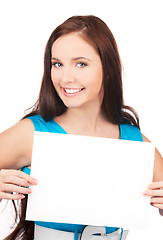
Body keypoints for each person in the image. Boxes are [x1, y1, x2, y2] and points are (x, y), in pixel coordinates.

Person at [0, 15, 162, 240]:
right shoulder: (31, 134)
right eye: (57, 64)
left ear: (108, 67)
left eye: (81, 64)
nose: (66, 77)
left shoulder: (136, 142)